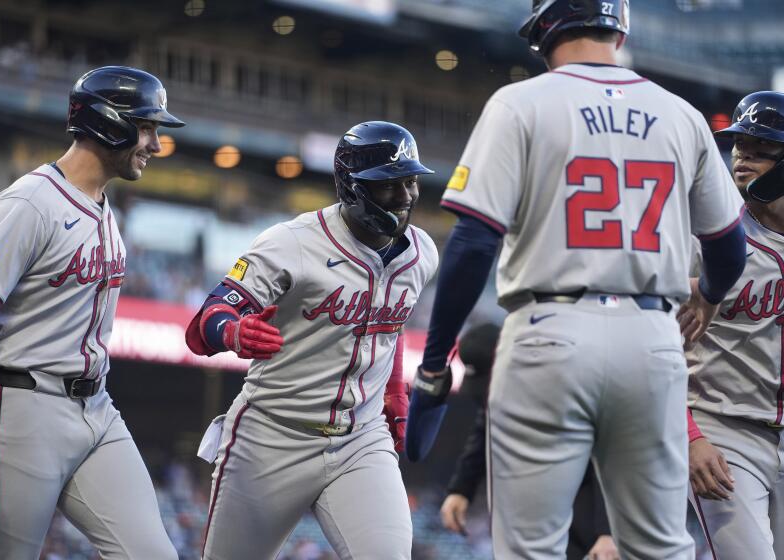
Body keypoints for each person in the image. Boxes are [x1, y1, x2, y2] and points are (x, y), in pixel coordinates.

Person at [406, 0, 748, 557]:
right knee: (660, 547)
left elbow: (472, 244)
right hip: (652, 337)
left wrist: (434, 362)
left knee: (530, 548)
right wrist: (706, 297)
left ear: (543, 31)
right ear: (621, 28)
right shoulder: (680, 113)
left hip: (550, 329)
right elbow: (729, 246)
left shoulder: (521, 103)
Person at [0, 66, 183, 559]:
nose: (156, 144)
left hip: (97, 410)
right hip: (23, 411)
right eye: (147, 127)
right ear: (109, 122)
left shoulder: (101, 204)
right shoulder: (30, 203)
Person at [185, 121, 439, 560]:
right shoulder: (292, 243)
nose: (405, 197)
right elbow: (204, 321)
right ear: (353, 188)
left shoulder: (422, 254)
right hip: (272, 436)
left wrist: (395, 392)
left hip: (361, 438)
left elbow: (387, 323)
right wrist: (233, 330)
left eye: (410, 182)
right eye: (390, 186)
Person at [686, 91, 784, 560]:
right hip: (724, 429)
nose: (743, 157)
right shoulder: (706, 236)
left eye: (761, 149)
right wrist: (688, 435)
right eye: (739, 146)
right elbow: (654, 344)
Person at [439, 324, 619, 560]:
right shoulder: (502, 394)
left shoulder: (565, 379)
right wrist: (461, 488)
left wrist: (609, 531)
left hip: (587, 493)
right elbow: (486, 427)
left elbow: (608, 455)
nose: (490, 397)